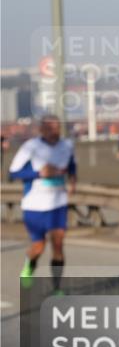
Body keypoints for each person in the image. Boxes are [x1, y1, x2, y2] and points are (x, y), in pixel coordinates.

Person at [9, 115, 76, 293]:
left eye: (57, 128)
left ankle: (56, 289)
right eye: (50, 129)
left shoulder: (67, 145)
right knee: (39, 247)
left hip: (58, 203)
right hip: (34, 205)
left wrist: (73, 179)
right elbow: (14, 173)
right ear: (42, 130)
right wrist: (39, 173)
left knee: (58, 244)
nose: (55, 132)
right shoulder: (31, 147)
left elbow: (71, 164)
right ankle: (30, 264)